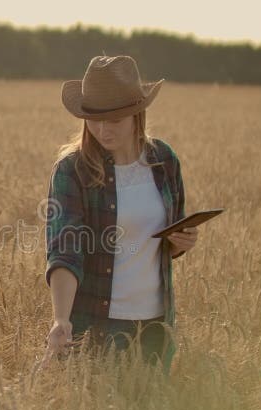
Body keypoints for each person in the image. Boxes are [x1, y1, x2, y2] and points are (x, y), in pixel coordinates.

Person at [39, 55, 198, 376]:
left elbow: (169, 238)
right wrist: (61, 319)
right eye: (93, 119)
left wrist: (182, 242)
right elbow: (65, 249)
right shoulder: (73, 170)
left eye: (113, 120)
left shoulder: (164, 160)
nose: (101, 129)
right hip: (98, 326)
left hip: (157, 324)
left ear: (136, 114)